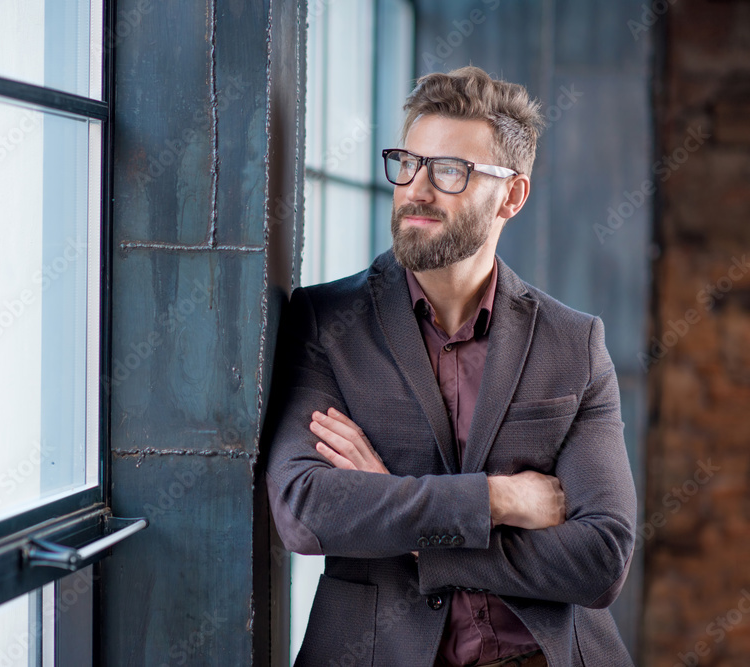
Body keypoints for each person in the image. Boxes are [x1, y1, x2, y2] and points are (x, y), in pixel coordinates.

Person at [265, 66, 637, 667]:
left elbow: (600, 559)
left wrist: (397, 512)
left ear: (511, 196)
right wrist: (496, 500)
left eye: (450, 172)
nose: (416, 189)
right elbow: (306, 509)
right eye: (407, 163)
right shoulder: (324, 323)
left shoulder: (574, 343)